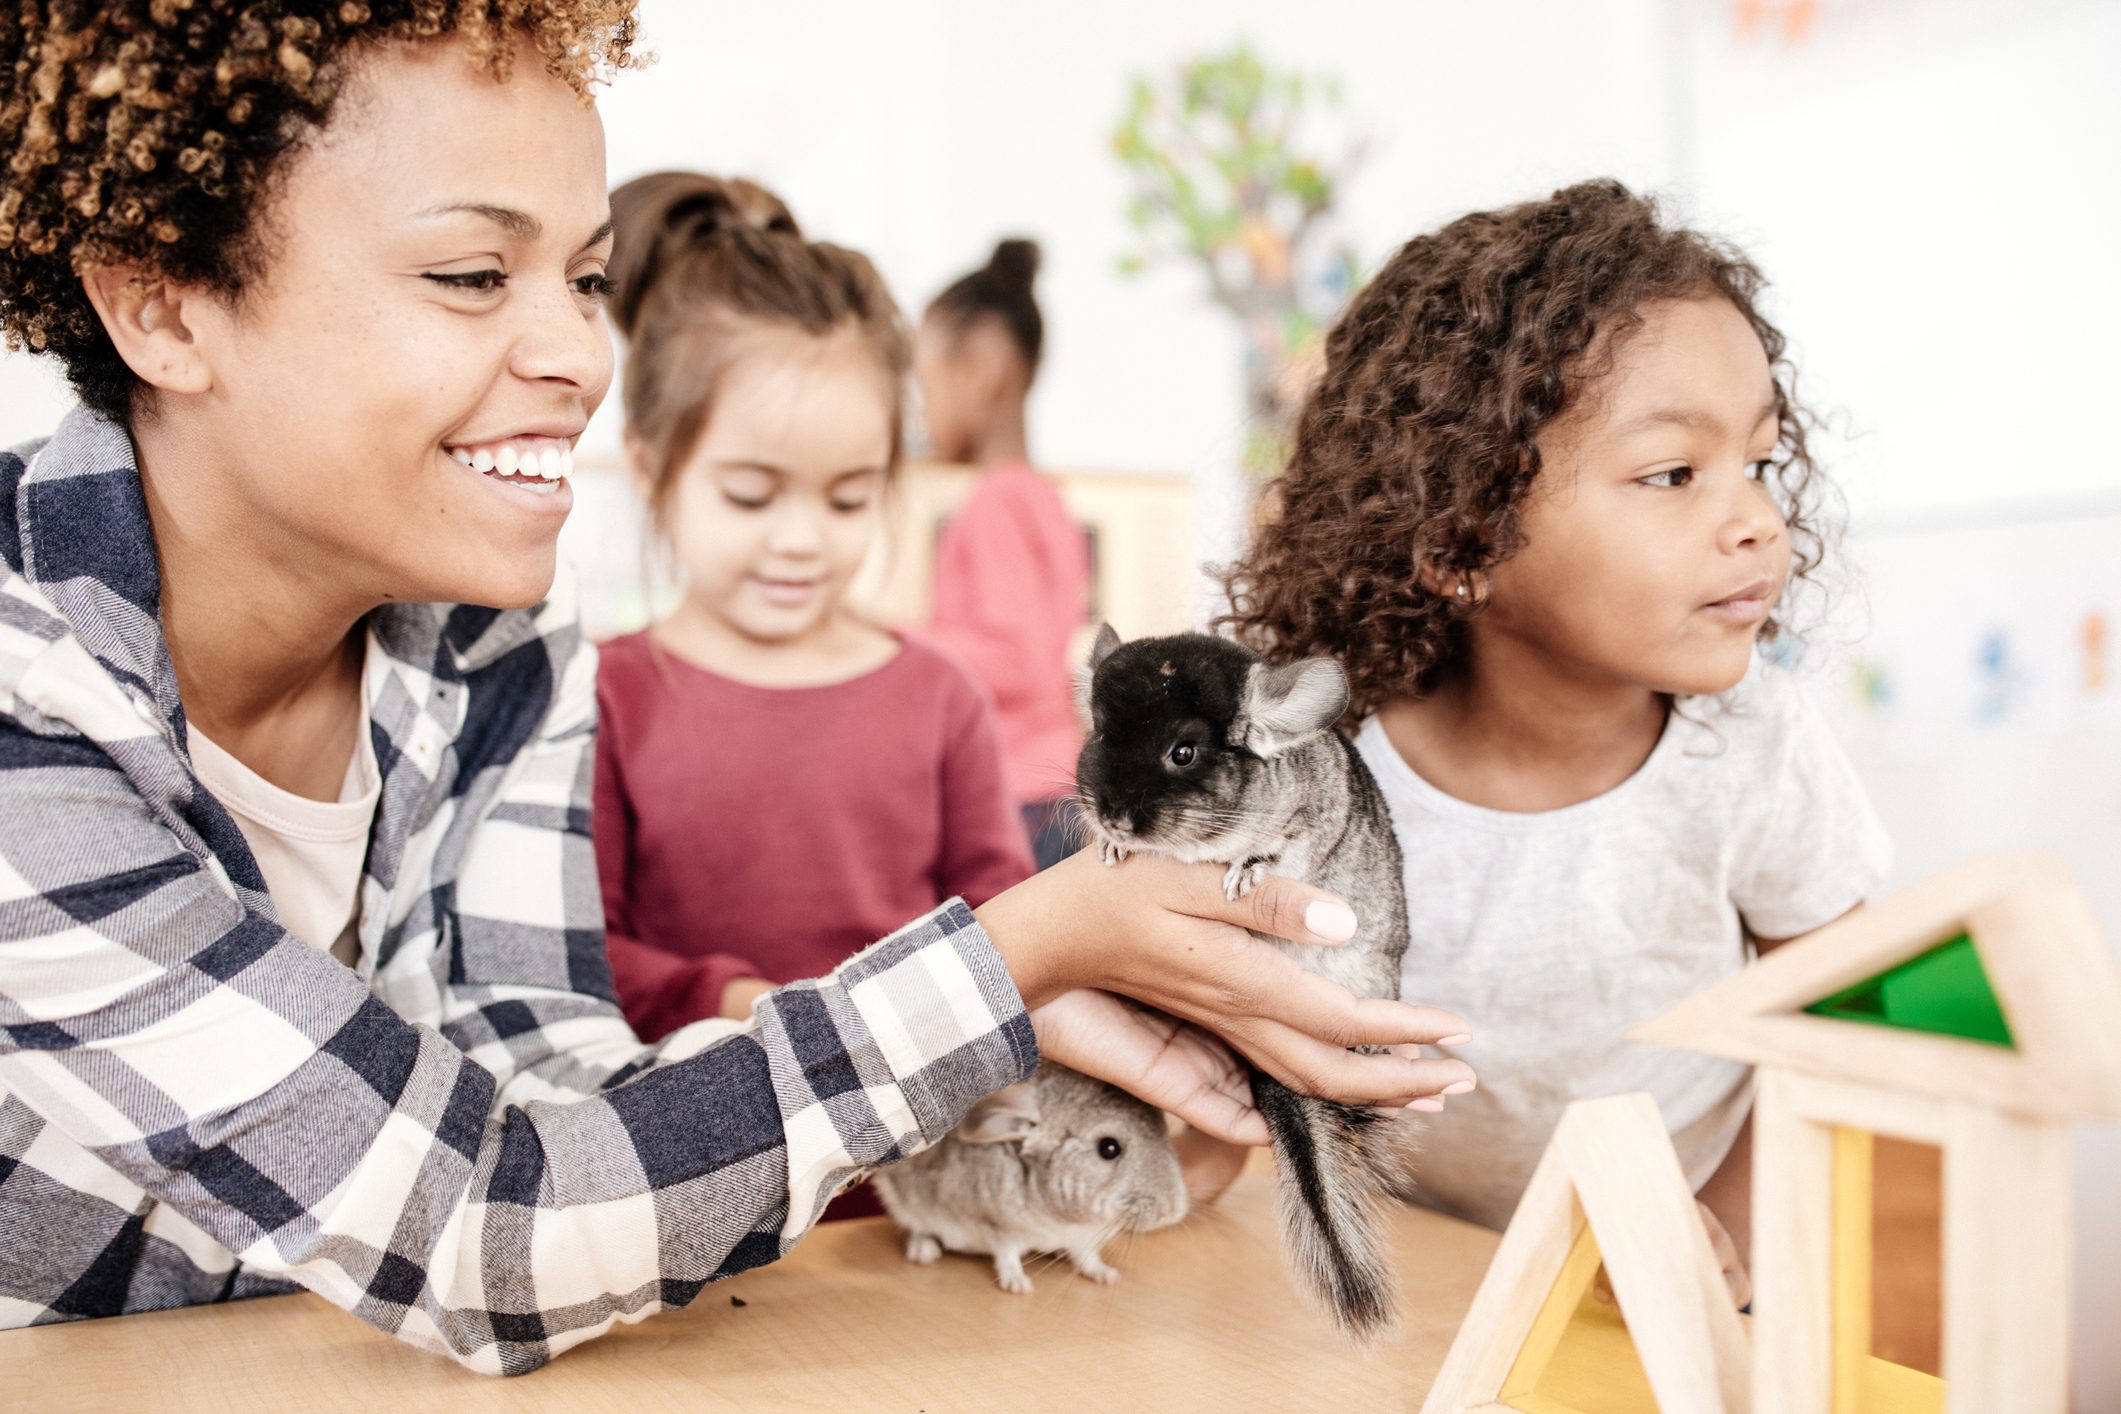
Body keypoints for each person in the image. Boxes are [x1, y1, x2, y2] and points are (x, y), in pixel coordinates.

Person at [0, 1, 1474, 1372]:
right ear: (165, 307)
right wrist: (1006, 960)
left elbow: (552, 1083)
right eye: (469, 275)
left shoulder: (486, 641)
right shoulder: (25, 701)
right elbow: (489, 1220)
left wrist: (992, 1049)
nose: (578, 350)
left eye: (585, 278)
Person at [1221, 180, 1891, 1300]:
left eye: (1761, 463)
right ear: (1462, 537)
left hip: (1684, 1270)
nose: (1757, 519)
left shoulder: (1757, 747)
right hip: (1426, 1267)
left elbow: (1847, 1014)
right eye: (1674, 473)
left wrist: (1721, 1230)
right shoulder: (1329, 775)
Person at [593, 172, 1030, 1073]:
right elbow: (577, 949)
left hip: (923, 1164)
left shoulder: (940, 699)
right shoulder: (602, 694)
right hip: (685, 1164)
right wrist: (740, 1004)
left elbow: (1010, 931)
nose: (799, 541)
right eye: (751, 496)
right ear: (649, 466)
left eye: (846, 499)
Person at [916, 239, 1091, 870]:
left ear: (983, 367)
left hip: (1022, 795)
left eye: (925, 380)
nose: (921, 406)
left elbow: (1016, 657)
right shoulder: (1043, 496)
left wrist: (897, 645)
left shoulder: (994, 501)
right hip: (1055, 791)